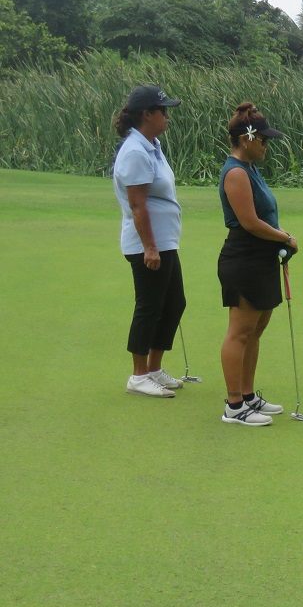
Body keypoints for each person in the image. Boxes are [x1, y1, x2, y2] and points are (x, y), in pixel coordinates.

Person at [216, 103, 297, 426]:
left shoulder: (250, 168)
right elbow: (249, 222)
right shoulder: (235, 172)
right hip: (244, 259)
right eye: (263, 139)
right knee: (240, 332)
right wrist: (285, 237)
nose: (266, 145)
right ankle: (234, 405)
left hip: (260, 258)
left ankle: (248, 395)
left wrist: (279, 239)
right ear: (246, 138)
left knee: (256, 329)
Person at [113, 85, 188, 398]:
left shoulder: (152, 145)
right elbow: (138, 205)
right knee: (150, 307)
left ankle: (154, 369)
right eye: (163, 111)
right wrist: (151, 247)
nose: (167, 117)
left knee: (173, 304)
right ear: (147, 114)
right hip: (148, 244)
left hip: (164, 240)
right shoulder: (134, 151)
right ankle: (138, 375)